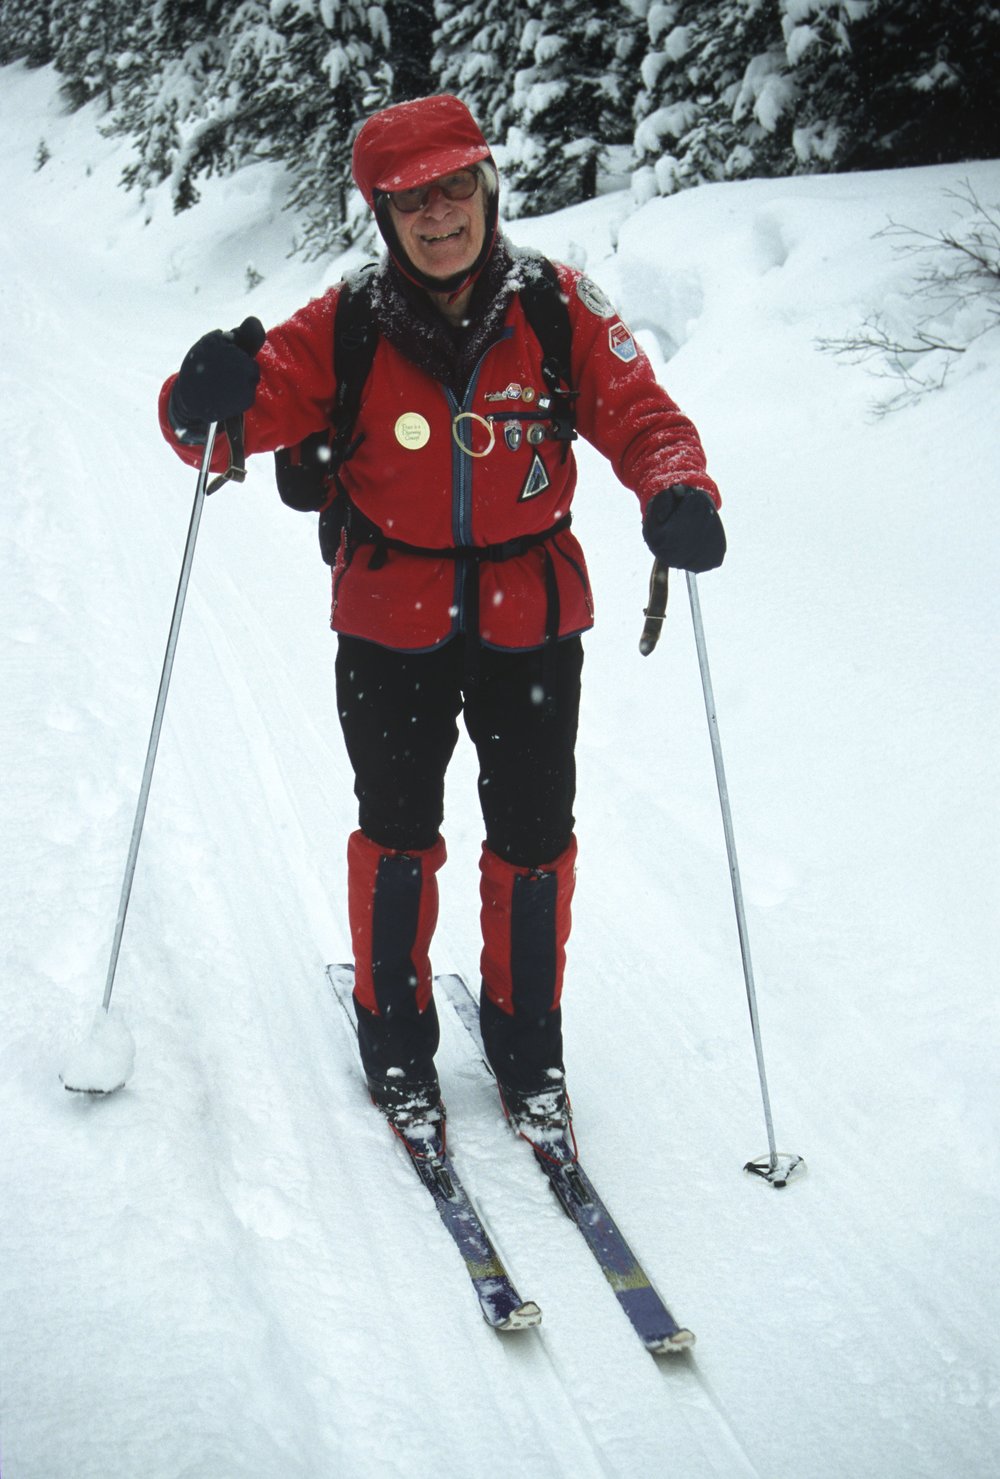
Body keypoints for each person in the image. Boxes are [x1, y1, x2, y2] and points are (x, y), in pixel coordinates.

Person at [159, 94, 725, 1139]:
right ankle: (395, 1039)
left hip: (533, 618)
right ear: (382, 213)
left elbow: (643, 416)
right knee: (399, 831)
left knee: (533, 836)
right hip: (389, 617)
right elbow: (223, 427)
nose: (438, 216)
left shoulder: (557, 305)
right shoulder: (346, 322)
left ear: (486, 186)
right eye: (411, 199)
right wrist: (202, 398)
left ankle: (526, 1042)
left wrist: (676, 490)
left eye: (455, 187)